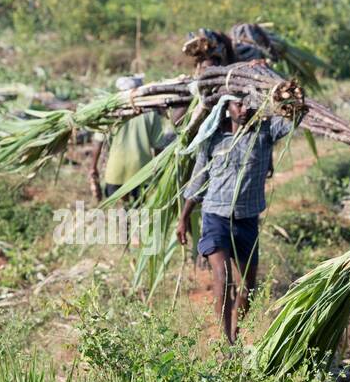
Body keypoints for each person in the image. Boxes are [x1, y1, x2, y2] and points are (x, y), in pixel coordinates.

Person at [175, 96, 292, 344]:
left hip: (247, 219)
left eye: (250, 103)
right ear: (227, 106)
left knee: (248, 286)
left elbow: (296, 116)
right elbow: (198, 179)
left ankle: (236, 329)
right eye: (238, 103)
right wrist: (183, 218)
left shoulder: (265, 131)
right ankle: (225, 341)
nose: (244, 108)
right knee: (222, 275)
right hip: (215, 215)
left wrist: (285, 93)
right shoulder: (213, 138)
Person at [89, 75, 175, 203]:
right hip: (141, 171)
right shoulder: (150, 112)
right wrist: (157, 171)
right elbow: (158, 146)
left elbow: (98, 141)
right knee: (138, 211)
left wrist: (93, 167)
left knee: (119, 212)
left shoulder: (110, 112)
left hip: (115, 170)